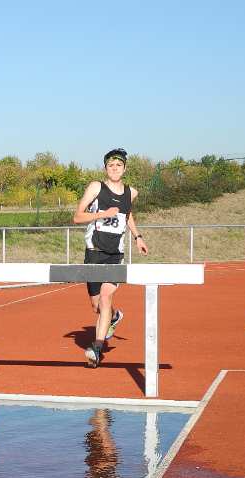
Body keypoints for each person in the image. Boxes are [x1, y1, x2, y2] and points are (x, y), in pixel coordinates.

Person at [73, 148, 148, 368]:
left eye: (119, 165)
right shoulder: (96, 187)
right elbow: (77, 217)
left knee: (106, 297)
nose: (115, 169)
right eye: (111, 165)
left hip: (115, 255)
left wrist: (138, 237)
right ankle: (114, 317)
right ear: (105, 168)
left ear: (125, 168)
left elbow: (127, 214)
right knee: (96, 305)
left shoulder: (131, 192)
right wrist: (102, 214)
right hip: (94, 251)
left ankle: (96, 349)